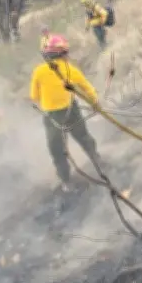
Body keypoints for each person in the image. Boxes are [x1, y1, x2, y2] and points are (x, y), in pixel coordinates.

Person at [30, 34, 105, 192]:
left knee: (57, 148)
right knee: (83, 136)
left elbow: (34, 96)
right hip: (72, 110)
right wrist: (95, 103)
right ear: (64, 53)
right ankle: (97, 160)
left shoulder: (39, 72)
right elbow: (88, 89)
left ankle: (66, 181)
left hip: (51, 116)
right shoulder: (71, 70)